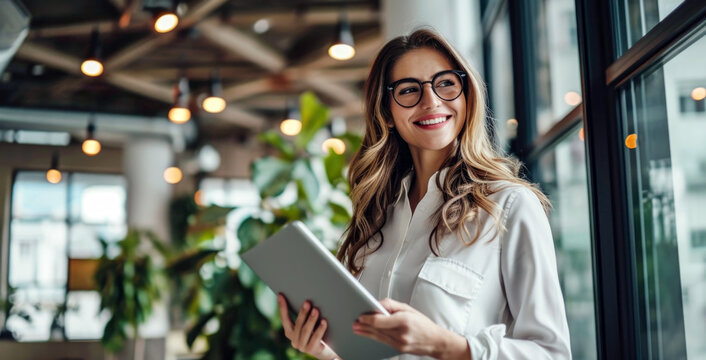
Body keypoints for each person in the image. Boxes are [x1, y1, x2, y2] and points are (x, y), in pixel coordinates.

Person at [276, 28, 572, 360]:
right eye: (408, 90)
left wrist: (447, 346)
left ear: (466, 95)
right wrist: (327, 351)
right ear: (387, 113)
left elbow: (552, 353)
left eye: (446, 83)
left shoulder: (510, 205)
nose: (431, 101)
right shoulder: (377, 214)